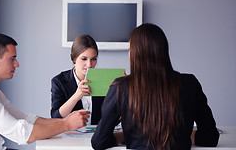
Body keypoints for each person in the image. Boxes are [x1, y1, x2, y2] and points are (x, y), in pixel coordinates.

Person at [0, 33, 89, 150]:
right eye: (12, 59)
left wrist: (64, 121)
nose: (17, 64)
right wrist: (67, 124)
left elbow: (25, 119)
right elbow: (21, 134)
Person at [91, 23, 219, 150]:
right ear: (164, 51)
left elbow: (99, 142)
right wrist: (182, 136)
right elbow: (210, 137)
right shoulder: (190, 83)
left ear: (135, 54)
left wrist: (125, 136)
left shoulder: (120, 87)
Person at [51, 34, 104, 125]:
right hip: (70, 136)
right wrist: (77, 96)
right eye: (84, 59)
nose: (89, 65)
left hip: (97, 136)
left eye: (93, 59)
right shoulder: (59, 81)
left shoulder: (103, 80)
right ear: (74, 59)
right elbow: (55, 117)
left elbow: (112, 117)